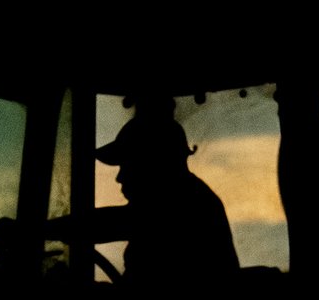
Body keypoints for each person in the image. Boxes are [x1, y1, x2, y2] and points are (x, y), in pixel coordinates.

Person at [92, 106, 239, 285]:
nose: (119, 178)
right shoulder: (186, 196)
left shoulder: (186, 203)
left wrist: (53, 229)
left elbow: (111, 223)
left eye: (128, 165)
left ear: (154, 164)